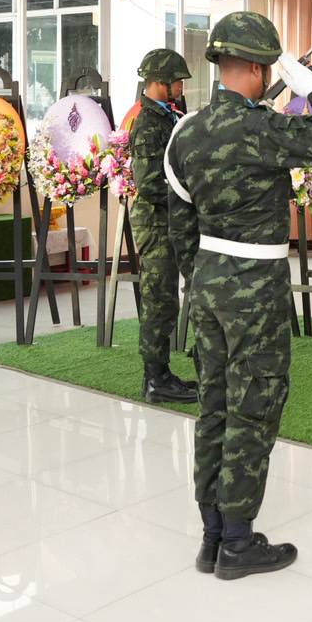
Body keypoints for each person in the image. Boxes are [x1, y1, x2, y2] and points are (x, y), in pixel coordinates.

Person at [165, 11, 312, 581]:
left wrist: (202, 276)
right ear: (256, 69)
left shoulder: (186, 132)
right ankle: (238, 542)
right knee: (254, 405)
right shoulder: (262, 128)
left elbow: (179, 223)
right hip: (256, 283)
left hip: (206, 280)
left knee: (214, 405)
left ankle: (211, 537)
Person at [128, 48, 198, 405]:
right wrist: (191, 192)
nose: (182, 86)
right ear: (159, 82)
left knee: (173, 298)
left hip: (173, 220)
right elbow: (150, 184)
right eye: (177, 81)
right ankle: (156, 379)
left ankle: (163, 376)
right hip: (156, 224)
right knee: (160, 301)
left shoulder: (169, 116)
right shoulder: (148, 124)